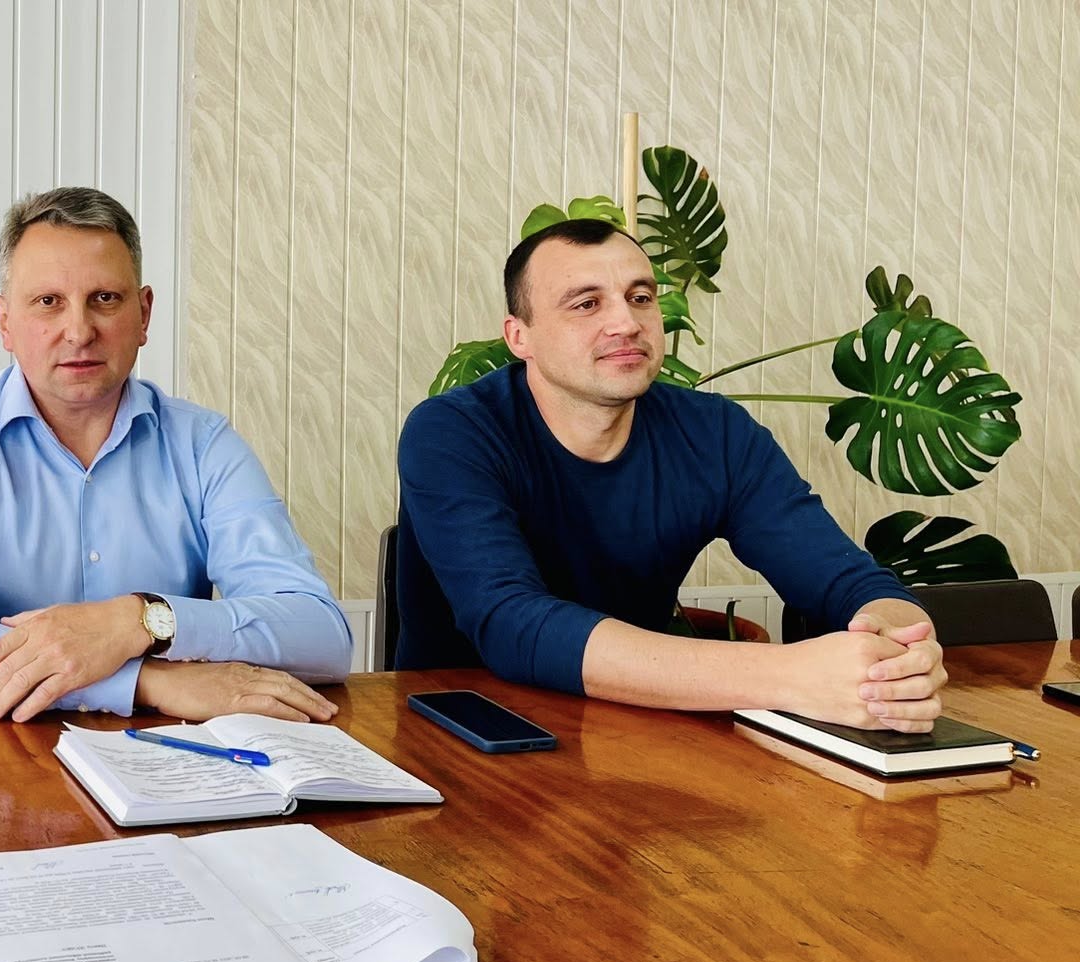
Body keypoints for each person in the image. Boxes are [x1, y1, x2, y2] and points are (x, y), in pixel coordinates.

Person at [394, 218, 946, 732]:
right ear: (521, 337)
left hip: (637, 730)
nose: (626, 323)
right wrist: (786, 676)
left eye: (640, 298)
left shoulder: (717, 433)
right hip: (465, 731)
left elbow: (847, 581)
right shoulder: (452, 431)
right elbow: (512, 623)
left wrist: (902, 651)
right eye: (587, 304)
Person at [0, 186, 352, 725]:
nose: (79, 332)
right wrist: (143, 680)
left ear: (143, 314)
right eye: (48, 302)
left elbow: (321, 636)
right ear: (4, 321)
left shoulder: (203, 444)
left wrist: (138, 620)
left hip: (173, 762)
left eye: (104, 298)